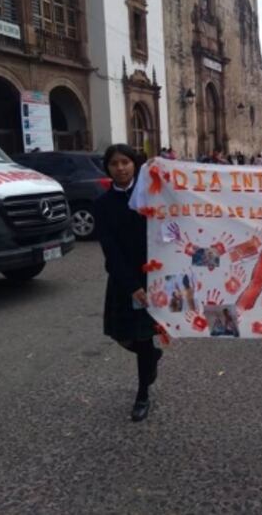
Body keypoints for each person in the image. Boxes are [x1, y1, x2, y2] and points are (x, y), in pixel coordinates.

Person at [94, 144, 162, 422]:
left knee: (143, 337)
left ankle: (142, 393)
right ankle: (151, 356)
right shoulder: (102, 204)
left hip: (153, 274)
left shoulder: (152, 195)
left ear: (135, 165)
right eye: (114, 164)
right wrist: (131, 284)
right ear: (107, 168)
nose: (120, 168)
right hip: (124, 277)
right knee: (120, 333)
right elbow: (110, 248)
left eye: (125, 162)